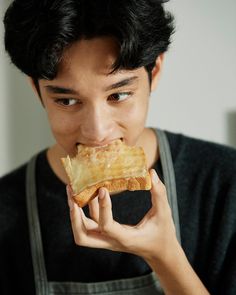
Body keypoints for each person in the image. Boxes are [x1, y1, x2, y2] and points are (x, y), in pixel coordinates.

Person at [1, 0, 236, 294]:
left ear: (156, 71)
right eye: (67, 101)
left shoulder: (226, 183)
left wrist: (165, 257)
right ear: (35, 89)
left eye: (119, 95)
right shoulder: (6, 207)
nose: (97, 131)